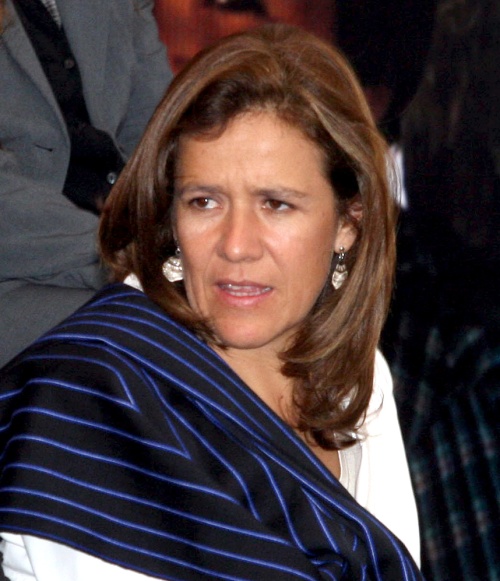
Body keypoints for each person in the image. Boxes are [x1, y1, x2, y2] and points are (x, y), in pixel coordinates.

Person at [0, 24, 422, 580]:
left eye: (276, 204)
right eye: (203, 202)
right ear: (170, 214)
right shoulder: (95, 395)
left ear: (348, 223)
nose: (236, 245)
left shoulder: (359, 378)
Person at [0, 0, 172, 367]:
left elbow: (161, 134)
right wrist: (132, 260)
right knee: (168, 341)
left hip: (124, 246)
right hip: (21, 271)